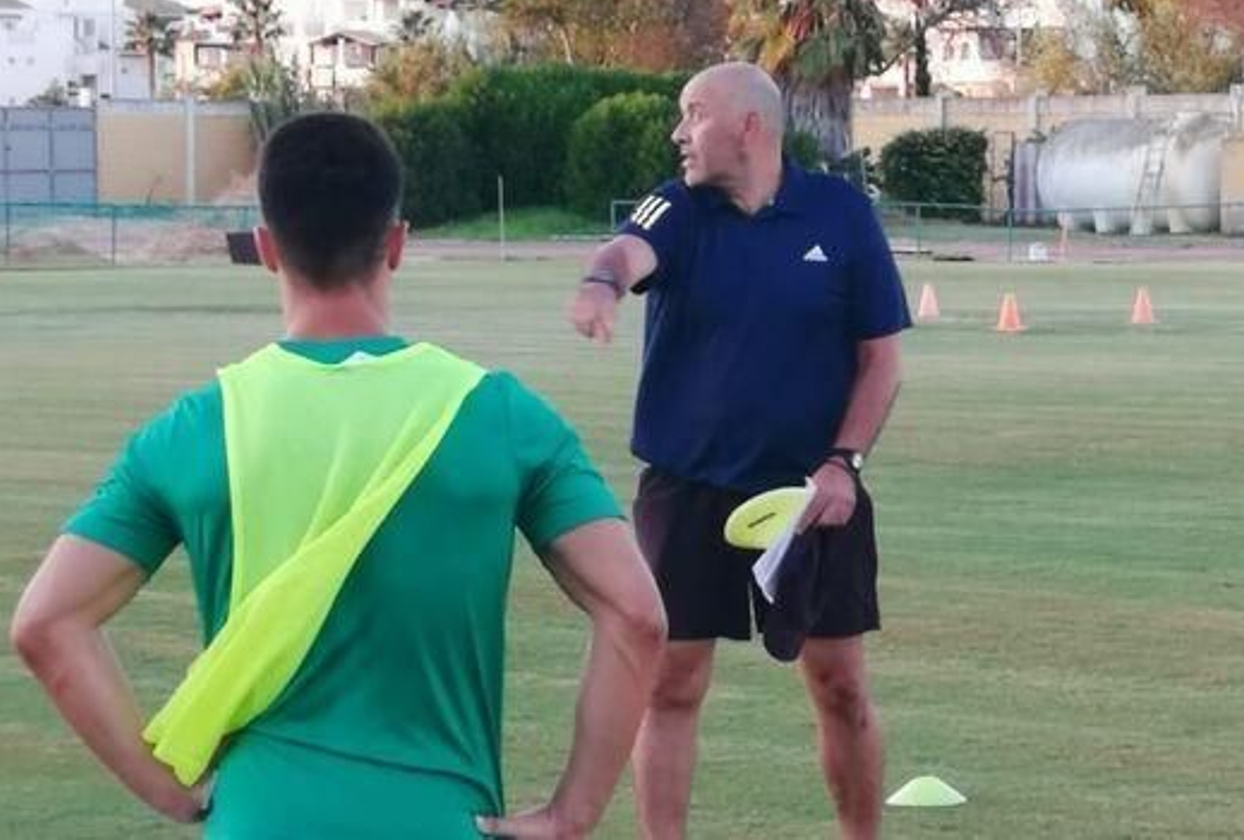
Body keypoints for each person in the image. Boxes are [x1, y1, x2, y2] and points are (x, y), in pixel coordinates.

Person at [10, 112, 666, 838]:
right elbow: (636, 614)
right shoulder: (502, 417)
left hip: (259, 819)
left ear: (263, 248)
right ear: (396, 243)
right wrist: (572, 815)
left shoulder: (194, 428)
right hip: (439, 820)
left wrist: (170, 791)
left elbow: (46, 624)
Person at [567, 61, 909, 839]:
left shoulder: (840, 215)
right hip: (688, 488)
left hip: (810, 493)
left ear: (749, 125)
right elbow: (627, 251)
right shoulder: (678, 207)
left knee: (840, 686)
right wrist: (599, 287)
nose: (678, 132)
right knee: (672, 685)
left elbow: (881, 360)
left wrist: (843, 464)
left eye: (693, 114)